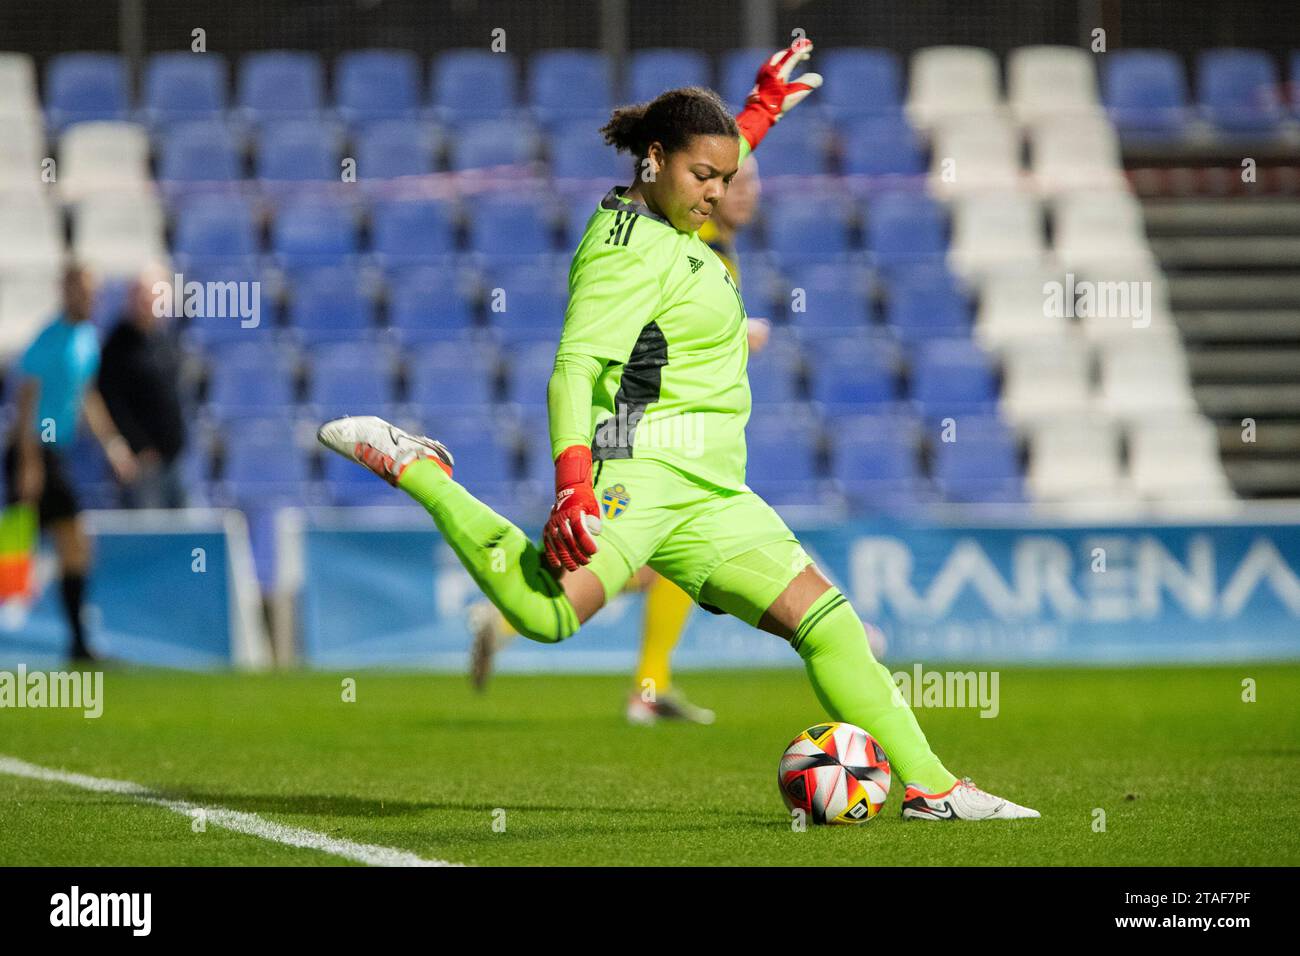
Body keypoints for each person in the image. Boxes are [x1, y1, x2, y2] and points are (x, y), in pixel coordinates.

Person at [318, 40, 1037, 820]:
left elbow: (710, 162)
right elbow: (571, 369)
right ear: (653, 161)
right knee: (546, 617)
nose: (718, 194)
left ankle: (934, 789)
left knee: (828, 625)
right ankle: (421, 470)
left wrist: (756, 112)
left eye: (726, 179)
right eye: (706, 178)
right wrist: (573, 487)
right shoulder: (627, 252)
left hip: (716, 490)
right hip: (643, 473)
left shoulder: (675, 211)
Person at [466, 153, 769, 727]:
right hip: (642, 423)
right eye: (735, 180)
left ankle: (647, 687)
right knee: (623, 556)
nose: (746, 192)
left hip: (669, 427)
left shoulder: (720, 243)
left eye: (750, 180)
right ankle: (512, 617)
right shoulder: (689, 230)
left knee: (658, 564)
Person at [3, 265, 138, 660]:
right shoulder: (49, 340)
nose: (89, 298)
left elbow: (86, 396)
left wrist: (112, 445)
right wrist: (29, 462)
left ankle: (78, 644)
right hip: (33, 450)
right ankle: (72, 643)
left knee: (71, 545)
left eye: (93, 291)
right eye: (82, 290)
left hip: (54, 452)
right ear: (65, 291)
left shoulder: (86, 340)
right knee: (17, 547)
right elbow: (26, 400)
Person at [98, 265, 189, 509]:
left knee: (183, 536)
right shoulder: (116, 346)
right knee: (149, 535)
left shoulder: (164, 340)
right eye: (140, 294)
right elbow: (110, 402)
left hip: (175, 459)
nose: (145, 301)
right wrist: (136, 446)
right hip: (143, 464)